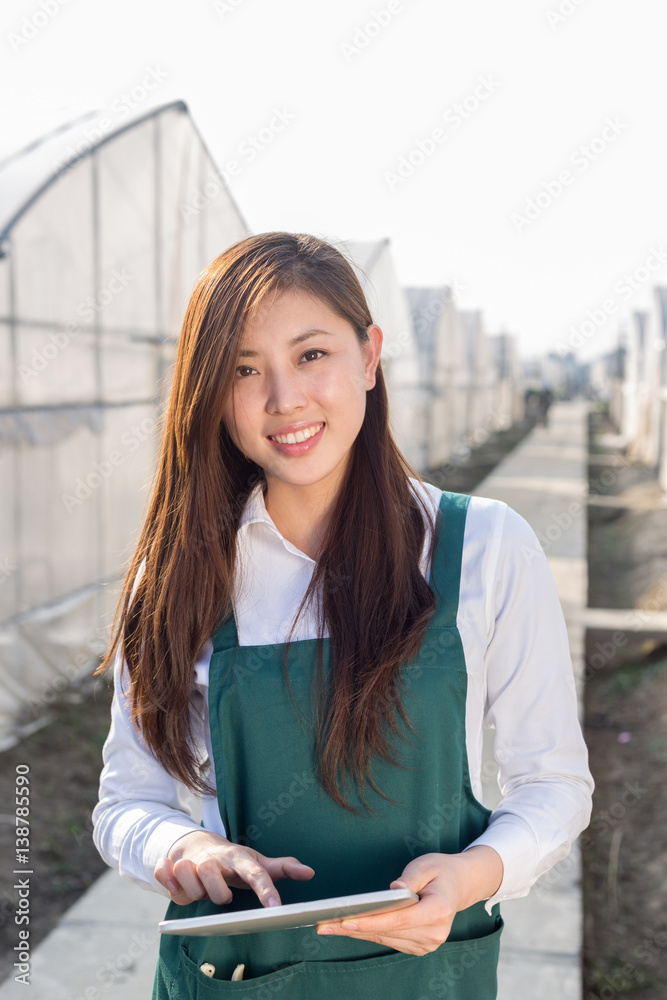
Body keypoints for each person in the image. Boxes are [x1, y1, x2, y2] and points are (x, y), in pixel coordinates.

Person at [92, 232, 594, 999]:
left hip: (426, 974)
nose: (283, 398)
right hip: (242, 979)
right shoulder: (182, 575)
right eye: (243, 369)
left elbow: (554, 784)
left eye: (311, 355)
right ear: (210, 394)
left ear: (369, 355)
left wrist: (471, 875)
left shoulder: (482, 546)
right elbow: (127, 803)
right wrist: (182, 841)